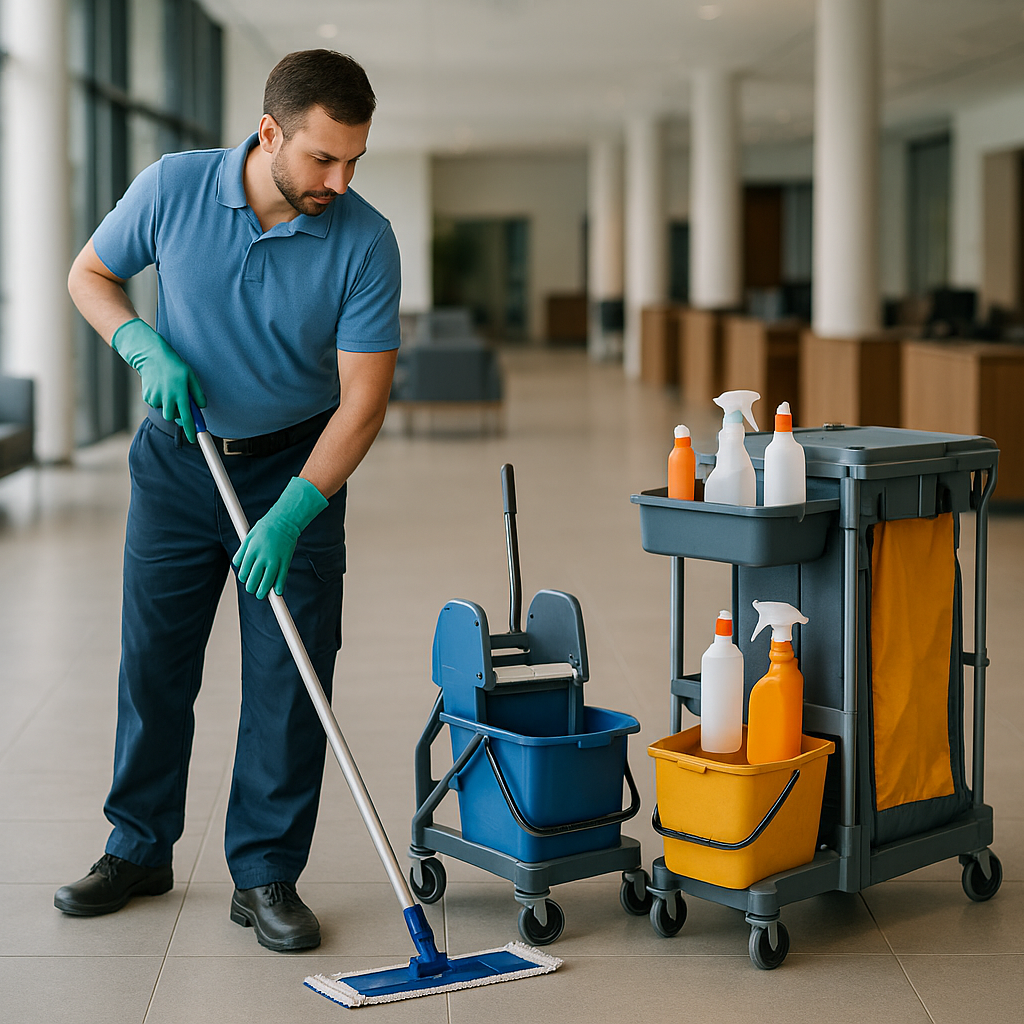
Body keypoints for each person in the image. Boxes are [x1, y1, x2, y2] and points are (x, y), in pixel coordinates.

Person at [53, 50, 400, 953]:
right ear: (269, 132)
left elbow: (363, 401)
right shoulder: (171, 187)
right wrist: (137, 340)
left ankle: (266, 873)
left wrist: (294, 511)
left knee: (291, 678)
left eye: (355, 159)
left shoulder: (365, 240)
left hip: (297, 469)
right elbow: (88, 275)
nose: (341, 179)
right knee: (155, 663)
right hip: (177, 464)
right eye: (324, 158)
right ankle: (137, 848)